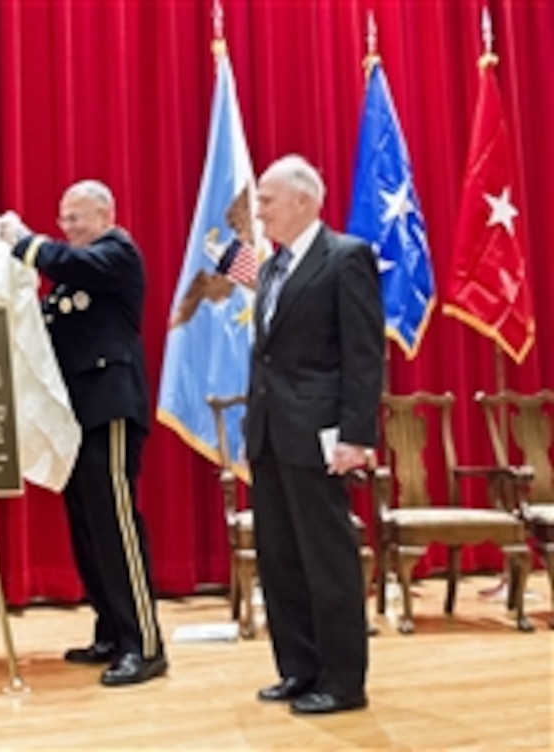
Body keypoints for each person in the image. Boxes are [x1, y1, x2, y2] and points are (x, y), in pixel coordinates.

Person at [5, 180, 166, 686]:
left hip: (111, 409)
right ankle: (112, 631)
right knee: (89, 528)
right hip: (75, 418)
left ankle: (146, 643)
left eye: (77, 218)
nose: (68, 228)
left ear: (105, 215)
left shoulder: (117, 252)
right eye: (63, 219)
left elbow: (68, 263)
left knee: (116, 526)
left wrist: (24, 242)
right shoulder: (70, 280)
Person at [244, 155, 383, 714]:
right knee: (280, 560)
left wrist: (355, 435)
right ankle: (298, 670)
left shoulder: (346, 258)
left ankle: (343, 681)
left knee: (327, 560)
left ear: (303, 200)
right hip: (270, 434)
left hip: (320, 433)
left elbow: (364, 355)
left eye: (268, 201)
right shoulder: (271, 267)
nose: (260, 211)